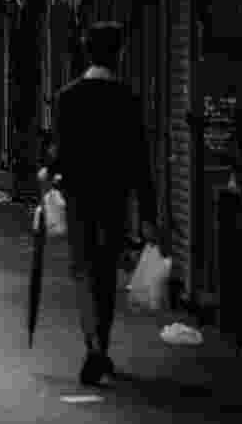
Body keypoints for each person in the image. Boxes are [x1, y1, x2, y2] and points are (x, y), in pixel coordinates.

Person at [48, 21, 160, 386]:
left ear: (86, 51)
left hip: (79, 198)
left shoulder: (68, 96)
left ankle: (94, 346)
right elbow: (140, 160)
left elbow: (60, 154)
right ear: (120, 53)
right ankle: (101, 348)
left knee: (83, 270)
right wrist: (148, 213)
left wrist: (49, 175)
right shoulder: (127, 99)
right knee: (106, 274)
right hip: (115, 198)